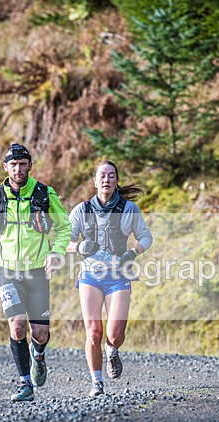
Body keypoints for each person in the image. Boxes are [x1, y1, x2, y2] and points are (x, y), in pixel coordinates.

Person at [0, 143, 71, 402]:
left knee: (39, 333)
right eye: (14, 165)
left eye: (23, 164)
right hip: (8, 271)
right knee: (17, 326)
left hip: (37, 271)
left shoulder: (44, 193)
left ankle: (38, 355)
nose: (18, 169)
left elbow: (65, 227)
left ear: (30, 165)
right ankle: (25, 383)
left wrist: (57, 252)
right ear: (5, 167)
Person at [66, 160, 152, 397]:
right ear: (95, 181)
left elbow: (146, 237)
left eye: (111, 176)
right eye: (102, 176)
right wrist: (80, 245)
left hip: (118, 276)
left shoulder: (129, 210)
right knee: (93, 331)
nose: (106, 179)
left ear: (116, 181)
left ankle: (112, 351)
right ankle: (97, 382)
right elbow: (62, 242)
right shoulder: (81, 211)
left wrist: (133, 252)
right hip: (90, 276)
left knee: (115, 334)